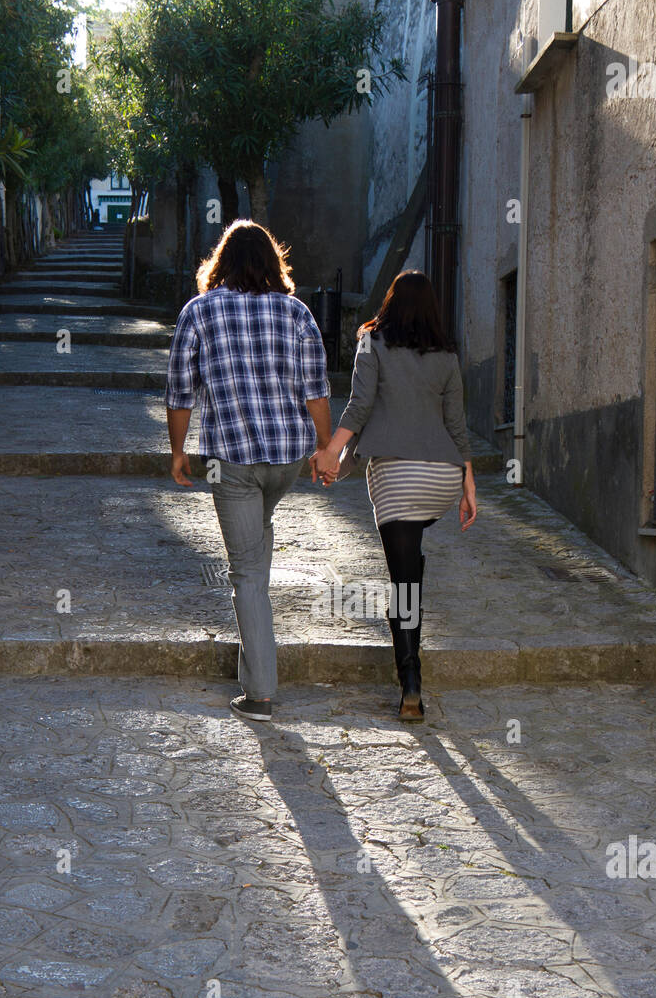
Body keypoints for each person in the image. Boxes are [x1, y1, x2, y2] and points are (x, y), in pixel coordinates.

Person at [165, 219, 332, 723]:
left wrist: (177, 452)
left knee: (245, 574)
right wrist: (325, 449)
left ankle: (260, 693)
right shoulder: (297, 312)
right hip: (287, 460)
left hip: (227, 461)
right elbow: (316, 391)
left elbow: (179, 392)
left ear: (222, 263)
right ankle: (252, 669)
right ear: (270, 263)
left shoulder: (199, 312)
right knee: (255, 550)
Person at [311, 270, 477, 721]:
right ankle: (411, 582)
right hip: (441, 477)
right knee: (409, 563)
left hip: (398, 478)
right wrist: (468, 486)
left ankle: (411, 684)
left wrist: (329, 451)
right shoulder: (446, 355)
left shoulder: (371, 341)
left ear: (390, 303)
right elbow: (457, 426)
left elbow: (359, 404)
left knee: (403, 584)